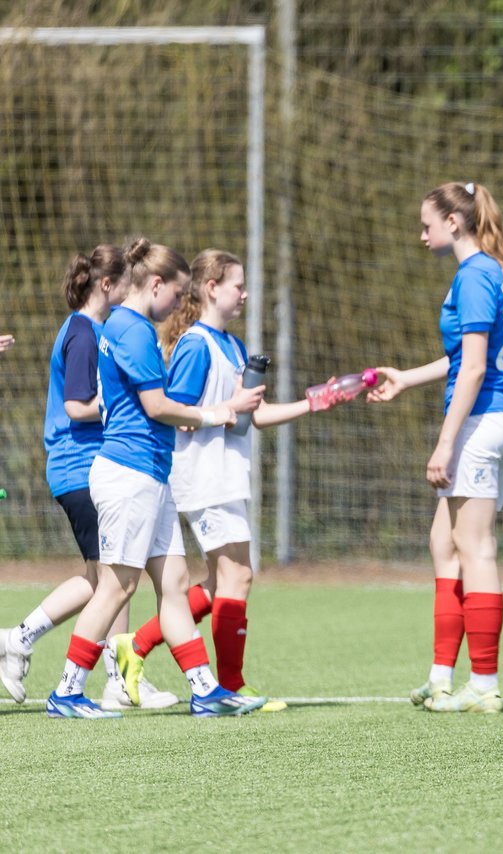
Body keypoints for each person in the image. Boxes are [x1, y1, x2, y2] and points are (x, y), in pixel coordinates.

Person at [43, 237, 267, 719]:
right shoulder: (134, 330)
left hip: (150, 472)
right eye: (179, 293)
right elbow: (158, 407)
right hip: (129, 472)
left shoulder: (125, 324)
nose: (180, 304)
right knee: (117, 586)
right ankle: (66, 691)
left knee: (174, 581)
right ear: (157, 284)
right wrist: (219, 413)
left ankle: (205, 689)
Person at [111, 249, 341, 714]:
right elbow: (176, 414)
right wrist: (225, 410)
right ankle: (230, 686)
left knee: (219, 585)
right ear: (212, 287)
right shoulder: (196, 345)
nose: (245, 294)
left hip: (229, 476)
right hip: (202, 477)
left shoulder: (232, 346)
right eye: (238, 285)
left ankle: (136, 646)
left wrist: (314, 403)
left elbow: (251, 416)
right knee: (240, 574)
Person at [369, 181, 503, 714]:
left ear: (454, 223)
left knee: (475, 547)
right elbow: (463, 358)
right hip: (496, 419)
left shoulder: (476, 275)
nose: (422, 235)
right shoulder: (483, 272)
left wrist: (445, 443)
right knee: (445, 540)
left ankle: (484, 684)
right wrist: (405, 378)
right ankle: (442, 676)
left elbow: (477, 368)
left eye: (427, 224)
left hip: (485, 422)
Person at [0, 247, 177, 710]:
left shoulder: (99, 331)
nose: (132, 290)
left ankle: (24, 640)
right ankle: (109, 676)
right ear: (108, 286)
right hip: (78, 465)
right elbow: (78, 406)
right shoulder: (81, 333)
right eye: (127, 282)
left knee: (105, 576)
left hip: (86, 465)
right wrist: (126, 402)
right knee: (116, 576)